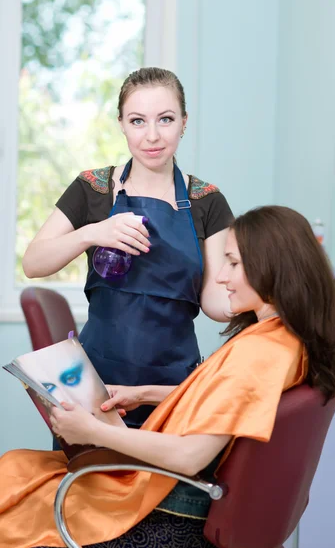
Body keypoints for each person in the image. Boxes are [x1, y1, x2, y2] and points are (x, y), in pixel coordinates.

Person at [0, 206, 335, 548]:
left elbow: (189, 455)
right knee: (21, 468)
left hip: (175, 522)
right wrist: (145, 393)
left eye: (232, 264)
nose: (223, 279)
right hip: (188, 509)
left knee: (17, 488)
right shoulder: (284, 340)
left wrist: (94, 432)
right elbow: (232, 401)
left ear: (271, 268)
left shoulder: (259, 353)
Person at [22, 67, 234, 430]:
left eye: (165, 119)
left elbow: (215, 301)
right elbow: (33, 262)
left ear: (184, 122)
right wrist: (92, 233)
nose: (152, 136)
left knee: (169, 485)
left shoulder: (207, 201)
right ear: (121, 123)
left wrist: (270, 306)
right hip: (97, 392)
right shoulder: (93, 189)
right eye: (138, 121)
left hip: (173, 392)